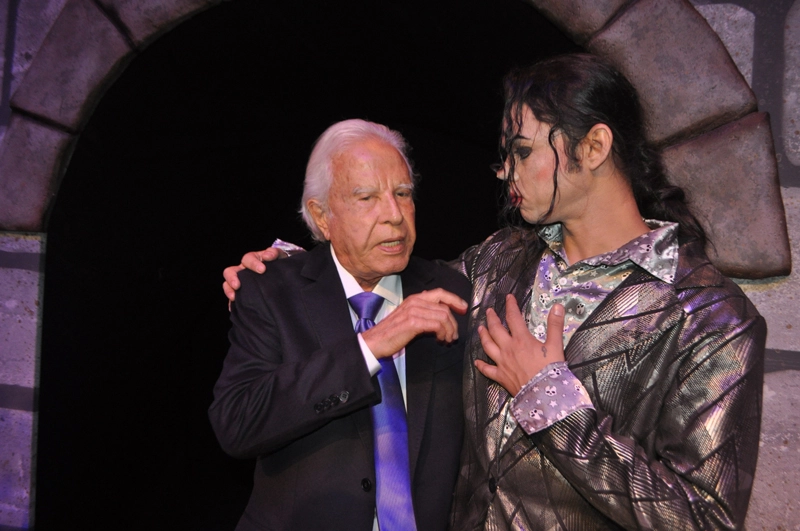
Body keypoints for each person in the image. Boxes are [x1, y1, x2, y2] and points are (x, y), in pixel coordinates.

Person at [223, 54, 765, 530]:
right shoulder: (499, 260)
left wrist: (553, 403)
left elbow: (705, 518)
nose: (505, 169)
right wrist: (294, 271)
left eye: (523, 151)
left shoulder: (710, 319)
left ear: (595, 146)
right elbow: (387, 283)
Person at [209, 119, 472, 531]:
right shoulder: (271, 290)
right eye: (366, 197)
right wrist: (369, 347)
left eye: (403, 194)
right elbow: (237, 422)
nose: (394, 215)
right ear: (322, 216)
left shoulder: (450, 292)